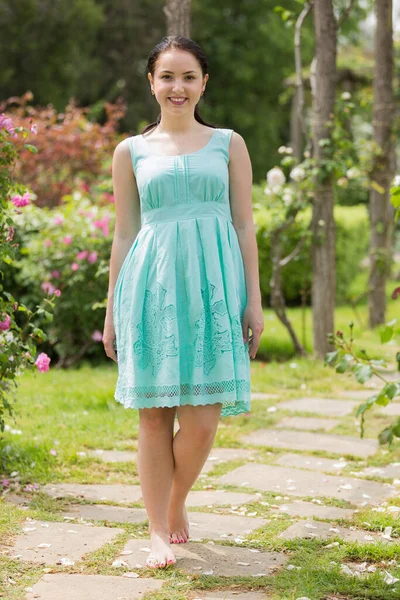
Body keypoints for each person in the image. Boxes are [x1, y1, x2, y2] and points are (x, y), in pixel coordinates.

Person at [103, 35, 264, 570]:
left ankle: (174, 503)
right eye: (167, 76)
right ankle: (155, 530)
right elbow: (124, 234)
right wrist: (111, 313)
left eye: (188, 76)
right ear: (151, 83)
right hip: (150, 288)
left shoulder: (228, 143)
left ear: (203, 83)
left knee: (201, 420)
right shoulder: (130, 151)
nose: (178, 86)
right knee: (154, 417)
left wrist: (253, 301)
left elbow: (244, 223)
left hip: (217, 289)